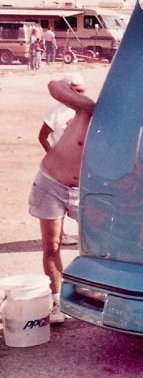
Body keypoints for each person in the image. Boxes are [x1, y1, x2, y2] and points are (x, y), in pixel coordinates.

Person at [28, 76, 97, 323]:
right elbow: (53, 85)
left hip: (85, 191)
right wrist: (81, 99)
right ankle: (57, 303)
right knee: (52, 246)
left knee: (100, 246)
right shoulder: (85, 110)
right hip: (51, 183)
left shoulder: (119, 126)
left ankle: (92, 300)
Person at [38, 74, 86, 246]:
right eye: (77, 90)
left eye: (82, 90)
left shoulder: (86, 109)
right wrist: (52, 156)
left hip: (80, 164)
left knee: (82, 200)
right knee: (59, 199)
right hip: (61, 165)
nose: (81, 93)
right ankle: (62, 234)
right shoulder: (56, 111)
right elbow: (42, 136)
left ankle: (87, 237)